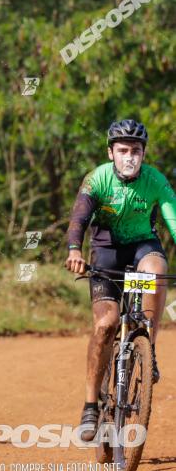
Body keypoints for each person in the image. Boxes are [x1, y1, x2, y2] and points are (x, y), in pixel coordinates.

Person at [66, 119, 176, 439]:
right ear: (110, 152)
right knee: (105, 325)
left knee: (154, 275)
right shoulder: (97, 178)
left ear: (144, 153)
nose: (130, 156)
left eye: (136, 151)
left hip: (143, 247)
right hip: (106, 251)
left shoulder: (155, 180)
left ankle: (148, 348)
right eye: (123, 150)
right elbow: (79, 218)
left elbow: (172, 216)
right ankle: (90, 406)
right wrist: (74, 250)